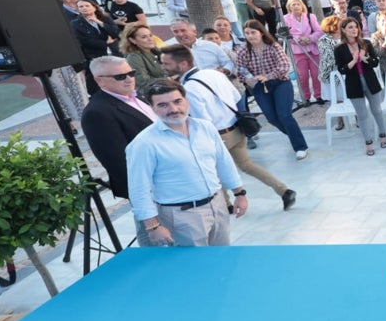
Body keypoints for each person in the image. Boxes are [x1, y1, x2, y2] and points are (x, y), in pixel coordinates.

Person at [160, 45, 297, 211]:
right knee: (247, 165)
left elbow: (203, 122)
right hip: (237, 128)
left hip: (219, 135)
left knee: (214, 173)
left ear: (182, 64)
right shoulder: (213, 73)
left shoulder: (189, 88)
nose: (163, 68)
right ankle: (283, 190)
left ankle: (227, 206)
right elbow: (236, 96)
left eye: (166, 64)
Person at [126, 78, 248, 247]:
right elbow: (139, 188)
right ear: (152, 108)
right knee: (194, 269)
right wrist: (153, 226)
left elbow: (223, 162)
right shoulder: (144, 143)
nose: (173, 109)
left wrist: (239, 194)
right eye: (163, 105)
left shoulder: (206, 127)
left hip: (217, 206)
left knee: (222, 260)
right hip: (180, 216)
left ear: (186, 100)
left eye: (178, 101)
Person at [80, 57, 155, 246]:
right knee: (155, 243)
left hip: (170, 182)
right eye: (121, 76)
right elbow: (118, 162)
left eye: (131, 73)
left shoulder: (137, 97)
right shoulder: (98, 113)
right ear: (99, 80)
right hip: (150, 189)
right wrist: (146, 193)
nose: (129, 79)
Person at [236, 20, 309, 159]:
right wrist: (247, 79)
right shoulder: (243, 51)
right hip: (259, 87)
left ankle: (300, 146)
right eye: (247, 33)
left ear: (261, 33)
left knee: (284, 114)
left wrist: (268, 76)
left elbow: (284, 65)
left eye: (253, 32)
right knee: (271, 117)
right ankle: (293, 133)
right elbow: (239, 71)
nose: (250, 36)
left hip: (279, 82)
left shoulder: (273, 46)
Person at [334, 17, 386, 156]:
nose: (354, 30)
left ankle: (383, 135)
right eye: (350, 27)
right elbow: (341, 69)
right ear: (344, 30)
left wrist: (365, 59)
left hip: (370, 81)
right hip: (354, 84)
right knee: (362, 115)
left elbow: (375, 62)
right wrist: (353, 60)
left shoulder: (366, 43)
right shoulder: (339, 48)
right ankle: (368, 142)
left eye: (355, 27)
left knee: (377, 110)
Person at [283, 0, 323, 106]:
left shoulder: (310, 16)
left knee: (316, 74)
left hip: (312, 49)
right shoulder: (285, 19)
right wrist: (298, 40)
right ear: (289, 7)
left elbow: (319, 31)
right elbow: (286, 36)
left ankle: (318, 95)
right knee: (303, 76)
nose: (296, 6)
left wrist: (309, 38)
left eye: (298, 4)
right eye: (293, 5)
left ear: (302, 5)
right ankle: (306, 97)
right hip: (298, 52)